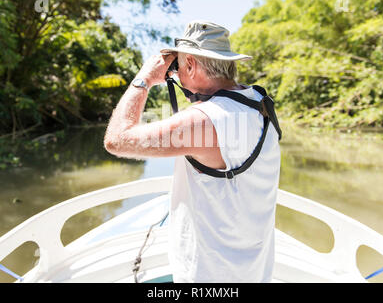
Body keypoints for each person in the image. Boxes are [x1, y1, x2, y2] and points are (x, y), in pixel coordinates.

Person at [104, 20, 281, 282]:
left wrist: (143, 80)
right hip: (255, 270)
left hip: (208, 277)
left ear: (191, 65)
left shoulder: (206, 120)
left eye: (178, 68)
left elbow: (117, 140)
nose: (175, 75)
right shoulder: (259, 102)